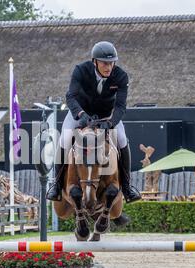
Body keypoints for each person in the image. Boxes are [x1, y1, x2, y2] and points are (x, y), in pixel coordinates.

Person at [46, 41, 141, 223]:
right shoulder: (81, 71)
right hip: (79, 113)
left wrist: (111, 122)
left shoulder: (121, 77)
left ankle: (128, 187)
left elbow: (121, 106)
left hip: (107, 116)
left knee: (121, 140)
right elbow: (71, 96)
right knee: (65, 139)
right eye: (105, 63)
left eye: (112, 62)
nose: (109, 67)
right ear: (94, 62)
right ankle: (56, 185)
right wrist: (80, 115)